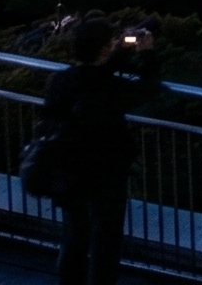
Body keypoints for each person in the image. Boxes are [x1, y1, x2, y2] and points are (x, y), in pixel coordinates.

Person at [39, 19, 162, 285]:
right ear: (105, 47)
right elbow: (150, 88)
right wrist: (148, 52)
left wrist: (118, 52)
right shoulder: (108, 88)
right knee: (105, 239)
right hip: (106, 173)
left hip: (67, 169)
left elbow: (91, 74)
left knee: (74, 235)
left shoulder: (60, 80)